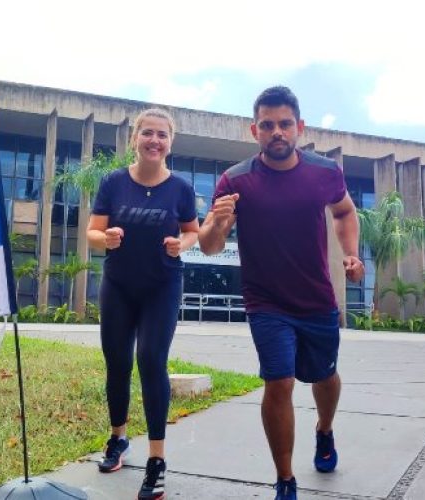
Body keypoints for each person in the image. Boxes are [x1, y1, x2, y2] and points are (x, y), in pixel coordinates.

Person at [198, 86, 362, 500]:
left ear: (299, 128)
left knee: (325, 376)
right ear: (255, 130)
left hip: (316, 299)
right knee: (280, 382)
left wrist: (352, 254)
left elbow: (344, 211)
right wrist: (218, 223)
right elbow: (209, 245)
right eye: (267, 125)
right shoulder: (235, 181)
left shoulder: (325, 172)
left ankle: (324, 430)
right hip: (265, 302)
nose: (277, 132)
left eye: (285, 124)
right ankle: (285, 479)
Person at [87, 108, 199, 500]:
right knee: (117, 362)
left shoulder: (181, 189)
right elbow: (92, 231)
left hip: (161, 286)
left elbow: (192, 232)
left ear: (171, 142)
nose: (154, 140)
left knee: (151, 360)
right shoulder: (113, 183)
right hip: (118, 285)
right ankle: (118, 438)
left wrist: (179, 244)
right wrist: (106, 238)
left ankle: (156, 460)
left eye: (162, 135)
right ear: (135, 138)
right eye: (147, 133)